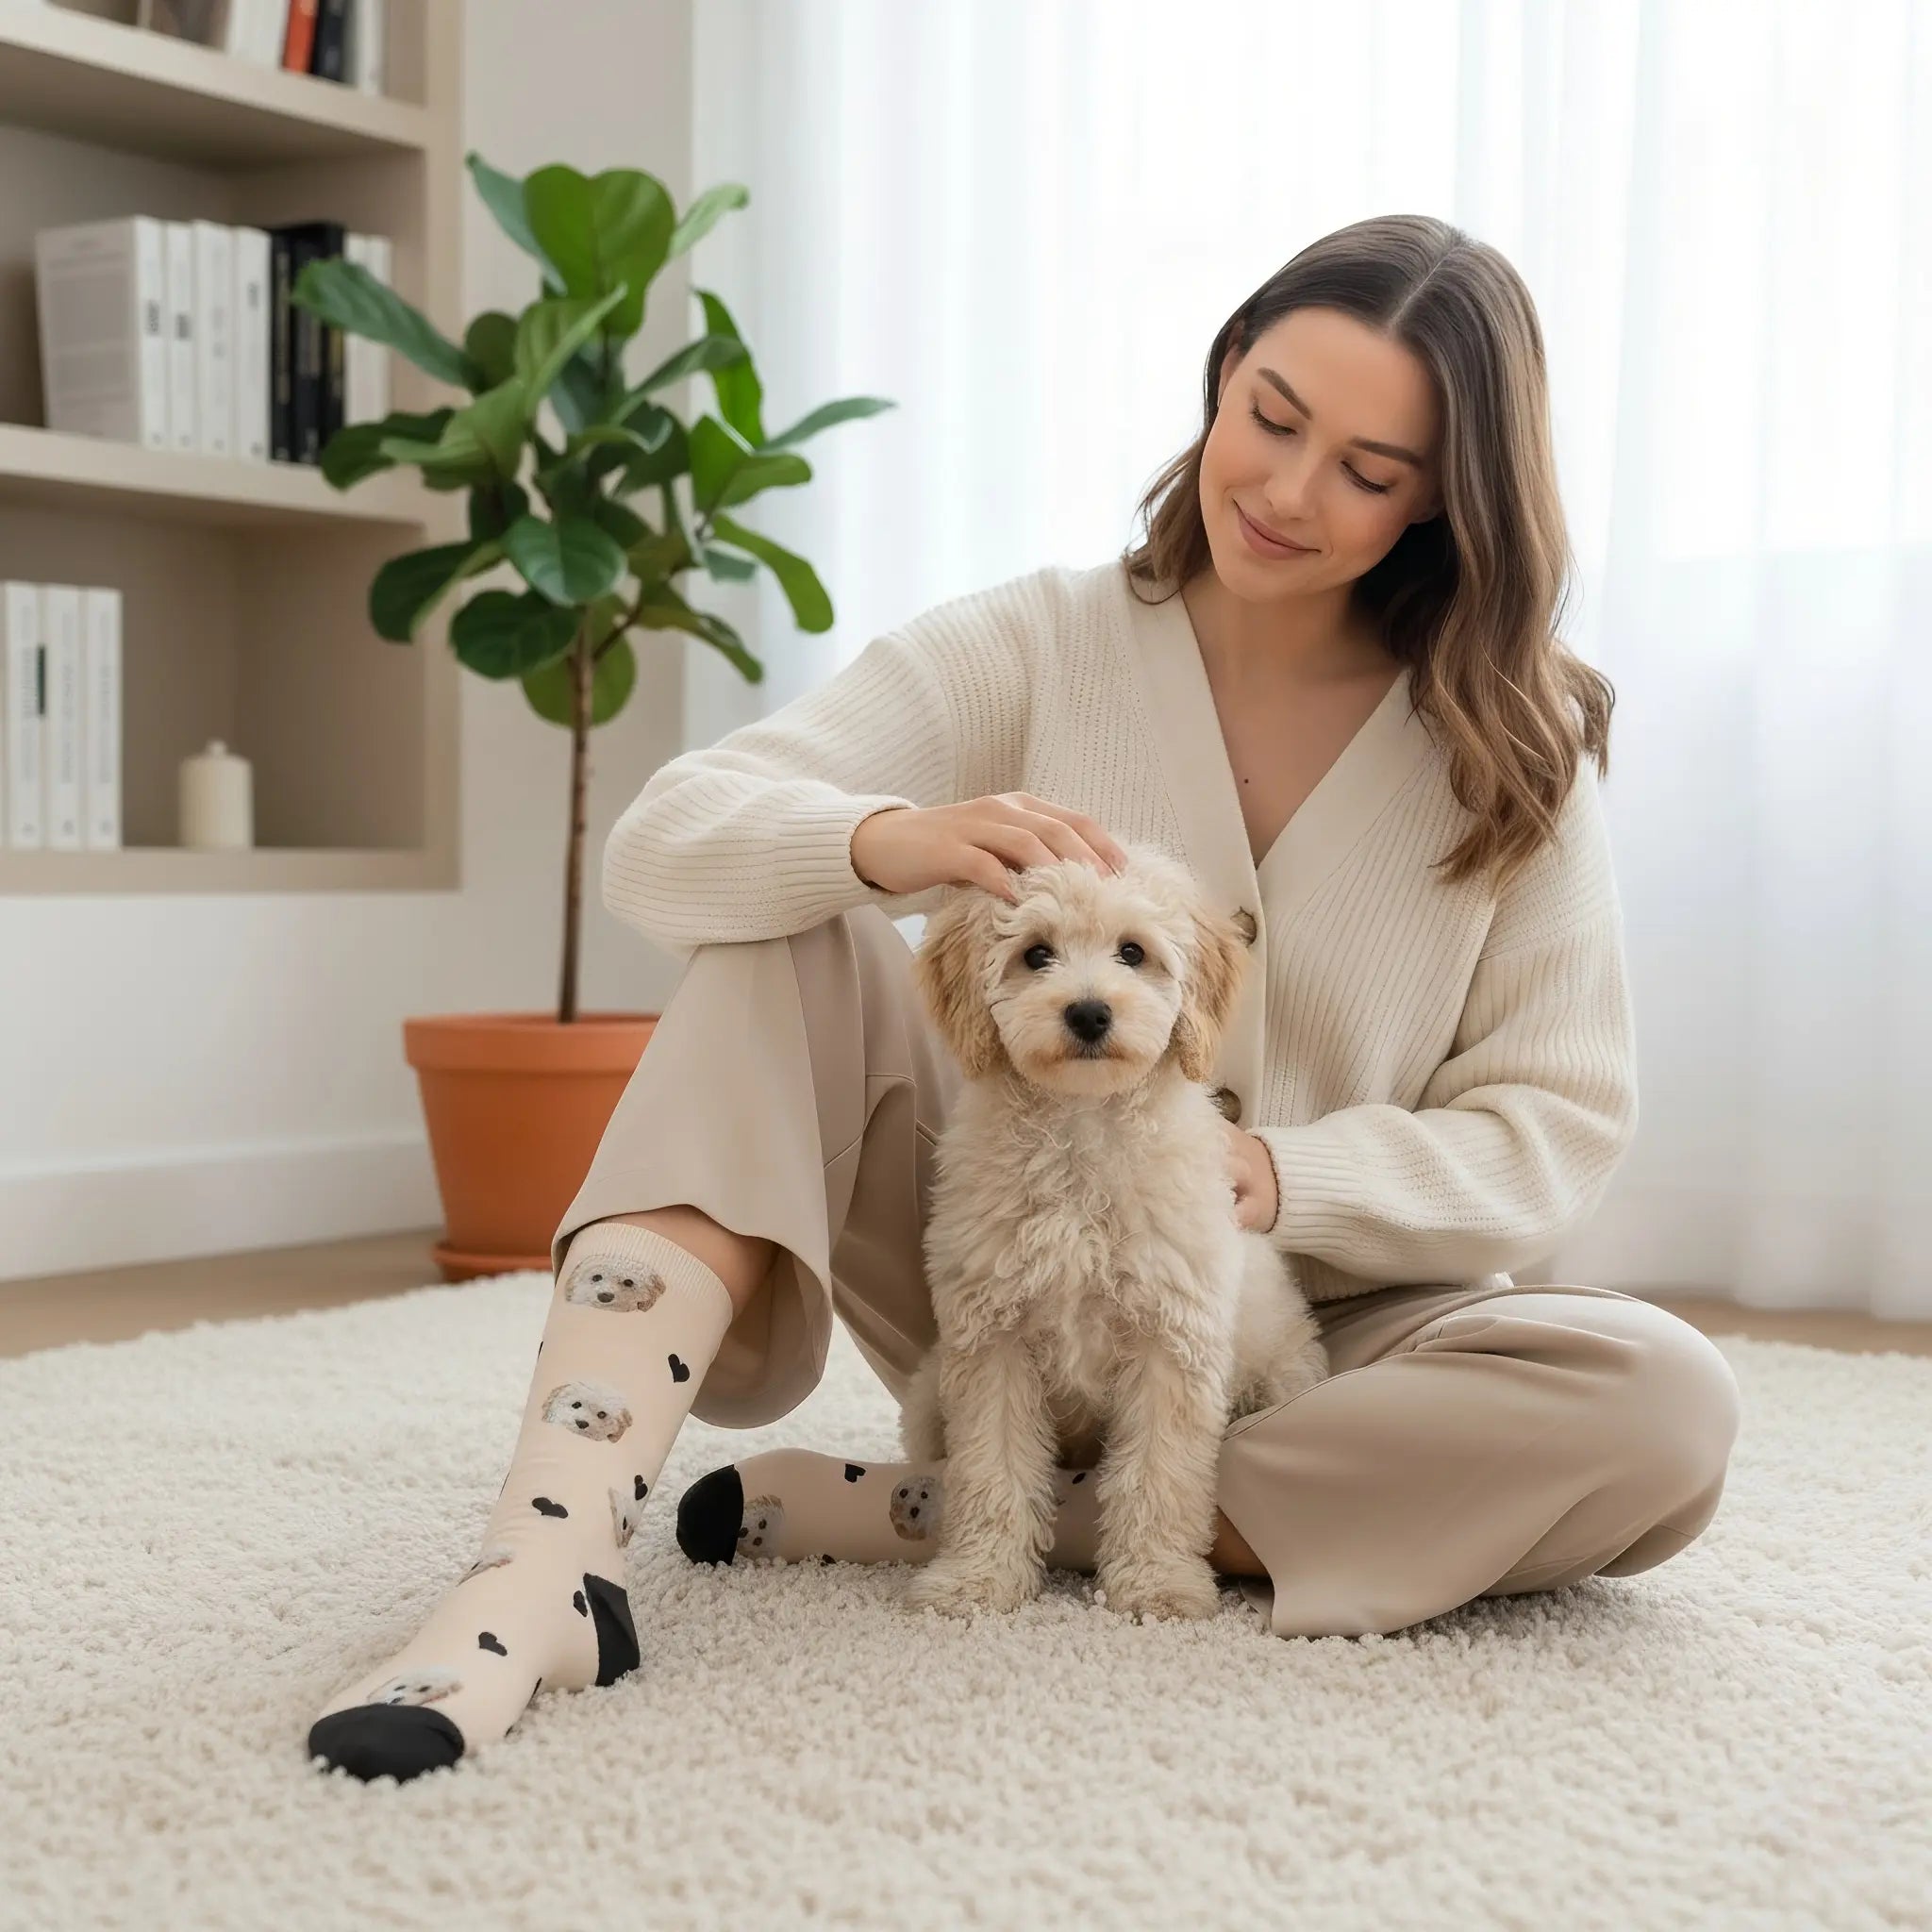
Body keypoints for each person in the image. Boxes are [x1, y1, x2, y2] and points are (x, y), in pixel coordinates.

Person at [307, 212, 1743, 1784]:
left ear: (1447, 504)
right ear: (1221, 379)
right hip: (995, 1261)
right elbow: (665, 846)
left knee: (1663, 1408)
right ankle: (542, 1573)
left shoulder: (1511, 747)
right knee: (782, 929)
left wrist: (1282, 1177)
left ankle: (968, 1514)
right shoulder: (1035, 643)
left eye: (1370, 471)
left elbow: (1560, 1120)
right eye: (1269, 417)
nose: (1285, 490)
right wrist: (884, 840)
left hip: (1344, 1337)